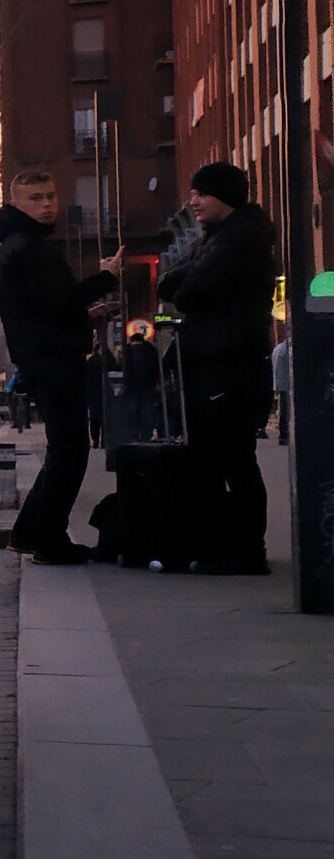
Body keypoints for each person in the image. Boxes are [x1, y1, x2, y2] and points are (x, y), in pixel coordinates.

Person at [0, 170, 123, 563]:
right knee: (70, 449)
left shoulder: (19, 244)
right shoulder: (27, 246)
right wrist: (106, 277)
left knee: (62, 448)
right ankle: (49, 541)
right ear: (15, 203)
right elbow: (61, 300)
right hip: (52, 359)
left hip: (44, 354)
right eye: (35, 198)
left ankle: (29, 532)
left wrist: (85, 315)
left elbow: (45, 306)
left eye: (50, 196)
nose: (46, 204)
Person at [158, 161, 280, 574]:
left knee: (234, 457)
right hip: (208, 361)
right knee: (206, 458)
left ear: (225, 196)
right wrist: (183, 280)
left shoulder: (245, 235)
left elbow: (190, 290)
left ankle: (248, 551)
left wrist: (185, 282)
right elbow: (167, 280)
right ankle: (213, 543)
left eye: (202, 194)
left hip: (231, 363)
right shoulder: (214, 236)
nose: (194, 202)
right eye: (192, 193)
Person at [273, 328, 292, 445]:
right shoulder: (284, 350)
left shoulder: (278, 349)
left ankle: (283, 433)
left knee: (283, 409)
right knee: (284, 410)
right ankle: (284, 434)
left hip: (280, 383)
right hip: (285, 383)